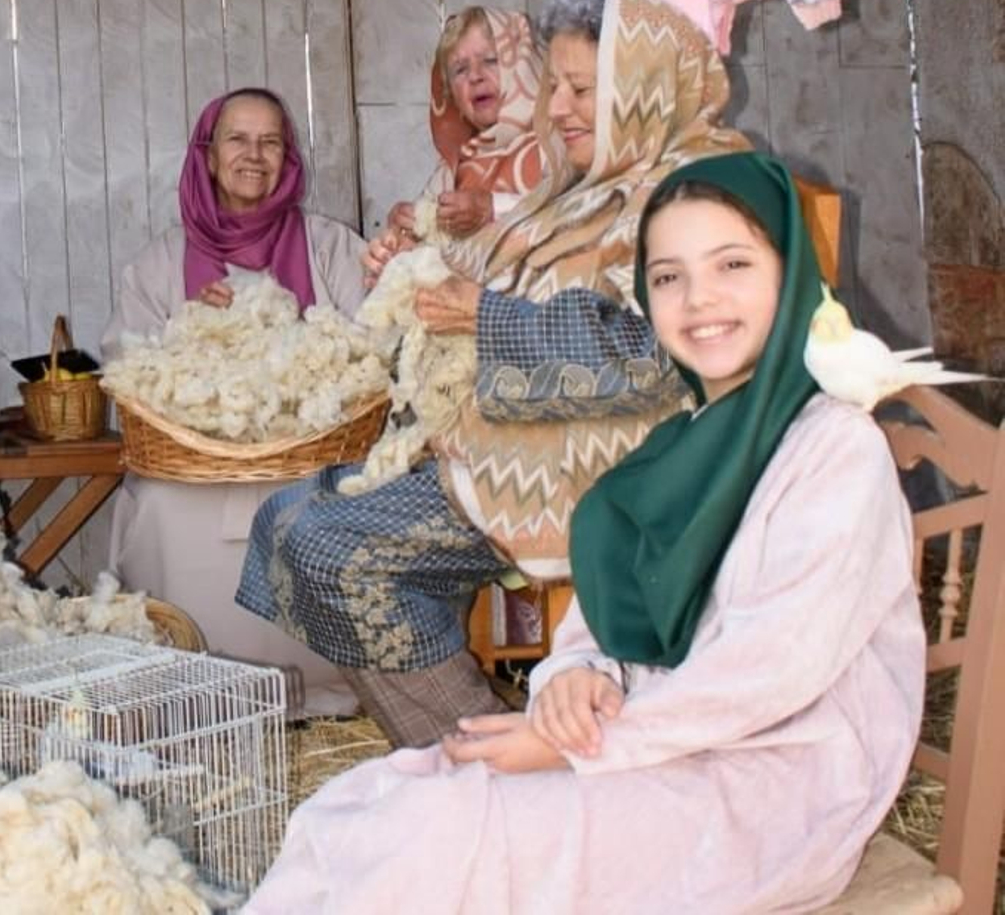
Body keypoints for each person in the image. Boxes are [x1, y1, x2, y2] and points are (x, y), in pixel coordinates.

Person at [243, 151, 926, 915]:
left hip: (777, 785)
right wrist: (574, 673)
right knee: (363, 805)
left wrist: (581, 744)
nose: (699, 300)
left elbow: (771, 670)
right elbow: (615, 597)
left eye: (732, 263)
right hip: (670, 738)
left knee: (448, 832)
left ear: (790, 271)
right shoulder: (691, 435)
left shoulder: (834, 448)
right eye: (667, 276)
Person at [237, 0, 750, 747]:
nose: (560, 108)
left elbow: (656, 358)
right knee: (285, 519)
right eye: (552, 86)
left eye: (582, 89)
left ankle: (486, 757)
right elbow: (496, 267)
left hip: (614, 467)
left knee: (331, 551)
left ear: (640, 87)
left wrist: (483, 315)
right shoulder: (583, 189)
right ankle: (473, 741)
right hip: (515, 438)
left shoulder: (693, 196)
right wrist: (415, 266)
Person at [101, 87, 368, 715]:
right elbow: (127, 369)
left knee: (339, 503)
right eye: (238, 140)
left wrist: (295, 345)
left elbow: (372, 352)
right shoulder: (159, 264)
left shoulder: (329, 248)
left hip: (307, 459)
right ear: (210, 156)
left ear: (289, 158)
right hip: (192, 465)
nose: (255, 155)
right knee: (161, 506)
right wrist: (187, 332)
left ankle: (321, 693)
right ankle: (195, 698)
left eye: (270, 141)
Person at [365, 5, 545, 287]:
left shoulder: (560, 143)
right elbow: (428, 245)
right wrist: (403, 238)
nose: (475, 76)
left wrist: (492, 208)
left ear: (522, 66)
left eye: (490, 60)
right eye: (460, 70)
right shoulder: (454, 168)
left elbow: (572, 216)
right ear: (452, 97)